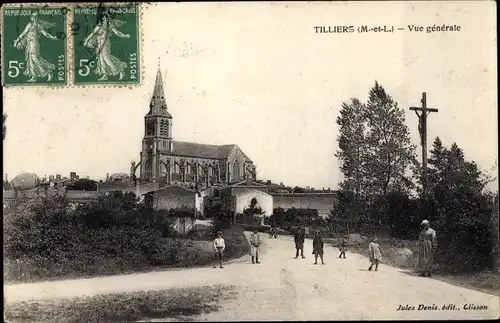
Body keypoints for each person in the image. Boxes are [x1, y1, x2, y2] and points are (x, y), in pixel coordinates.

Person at [13, 12, 58, 82]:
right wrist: (16, 41)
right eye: (33, 16)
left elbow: (46, 34)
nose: (34, 18)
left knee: (35, 58)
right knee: (30, 59)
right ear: (31, 17)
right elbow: (23, 34)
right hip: (29, 44)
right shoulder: (29, 25)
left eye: (36, 17)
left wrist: (54, 38)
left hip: (34, 44)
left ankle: (49, 70)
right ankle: (33, 77)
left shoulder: (39, 26)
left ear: (37, 18)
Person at [83, 14, 130, 81]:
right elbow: (92, 34)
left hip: (105, 43)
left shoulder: (110, 26)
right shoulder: (98, 26)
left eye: (106, 18)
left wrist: (124, 36)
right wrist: (86, 41)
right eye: (103, 18)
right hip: (99, 44)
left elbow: (117, 33)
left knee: (107, 58)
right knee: (101, 59)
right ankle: (104, 75)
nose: (105, 19)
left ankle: (119, 70)